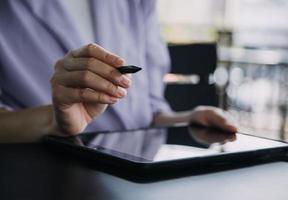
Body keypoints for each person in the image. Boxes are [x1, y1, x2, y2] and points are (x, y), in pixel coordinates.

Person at [0, 0, 237, 142]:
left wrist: (186, 120)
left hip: (134, 174)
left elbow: (149, 113)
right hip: (44, 172)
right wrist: (53, 120)